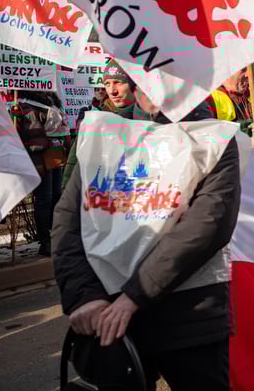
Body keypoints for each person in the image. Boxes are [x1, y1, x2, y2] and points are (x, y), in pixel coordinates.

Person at [53, 84, 237, 389]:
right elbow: (67, 222)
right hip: (108, 315)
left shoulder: (214, 138)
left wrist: (134, 296)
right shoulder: (102, 136)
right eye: (144, 77)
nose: (157, 85)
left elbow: (207, 226)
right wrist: (83, 296)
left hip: (189, 316)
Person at [63, 66, 137, 189]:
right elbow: (74, 165)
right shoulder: (95, 122)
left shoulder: (154, 120)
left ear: (134, 85)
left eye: (118, 83)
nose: (112, 91)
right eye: (107, 84)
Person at [15, 90, 67, 256]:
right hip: (38, 156)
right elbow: (26, 131)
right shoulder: (23, 104)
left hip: (55, 153)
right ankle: (45, 242)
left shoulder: (53, 101)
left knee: (56, 196)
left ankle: (55, 236)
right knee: (44, 198)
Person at [206, 67, 254, 148]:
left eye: (250, 69)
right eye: (243, 69)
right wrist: (245, 144)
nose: (249, 75)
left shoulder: (253, 98)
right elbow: (205, 145)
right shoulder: (210, 99)